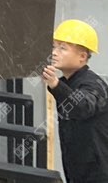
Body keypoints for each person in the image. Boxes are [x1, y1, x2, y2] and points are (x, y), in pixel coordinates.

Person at [43, 19, 108, 182]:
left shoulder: (94, 84)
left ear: (82, 57)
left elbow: (82, 107)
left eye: (63, 48)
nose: (55, 52)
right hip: (77, 169)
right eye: (54, 47)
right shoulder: (68, 83)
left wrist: (56, 85)